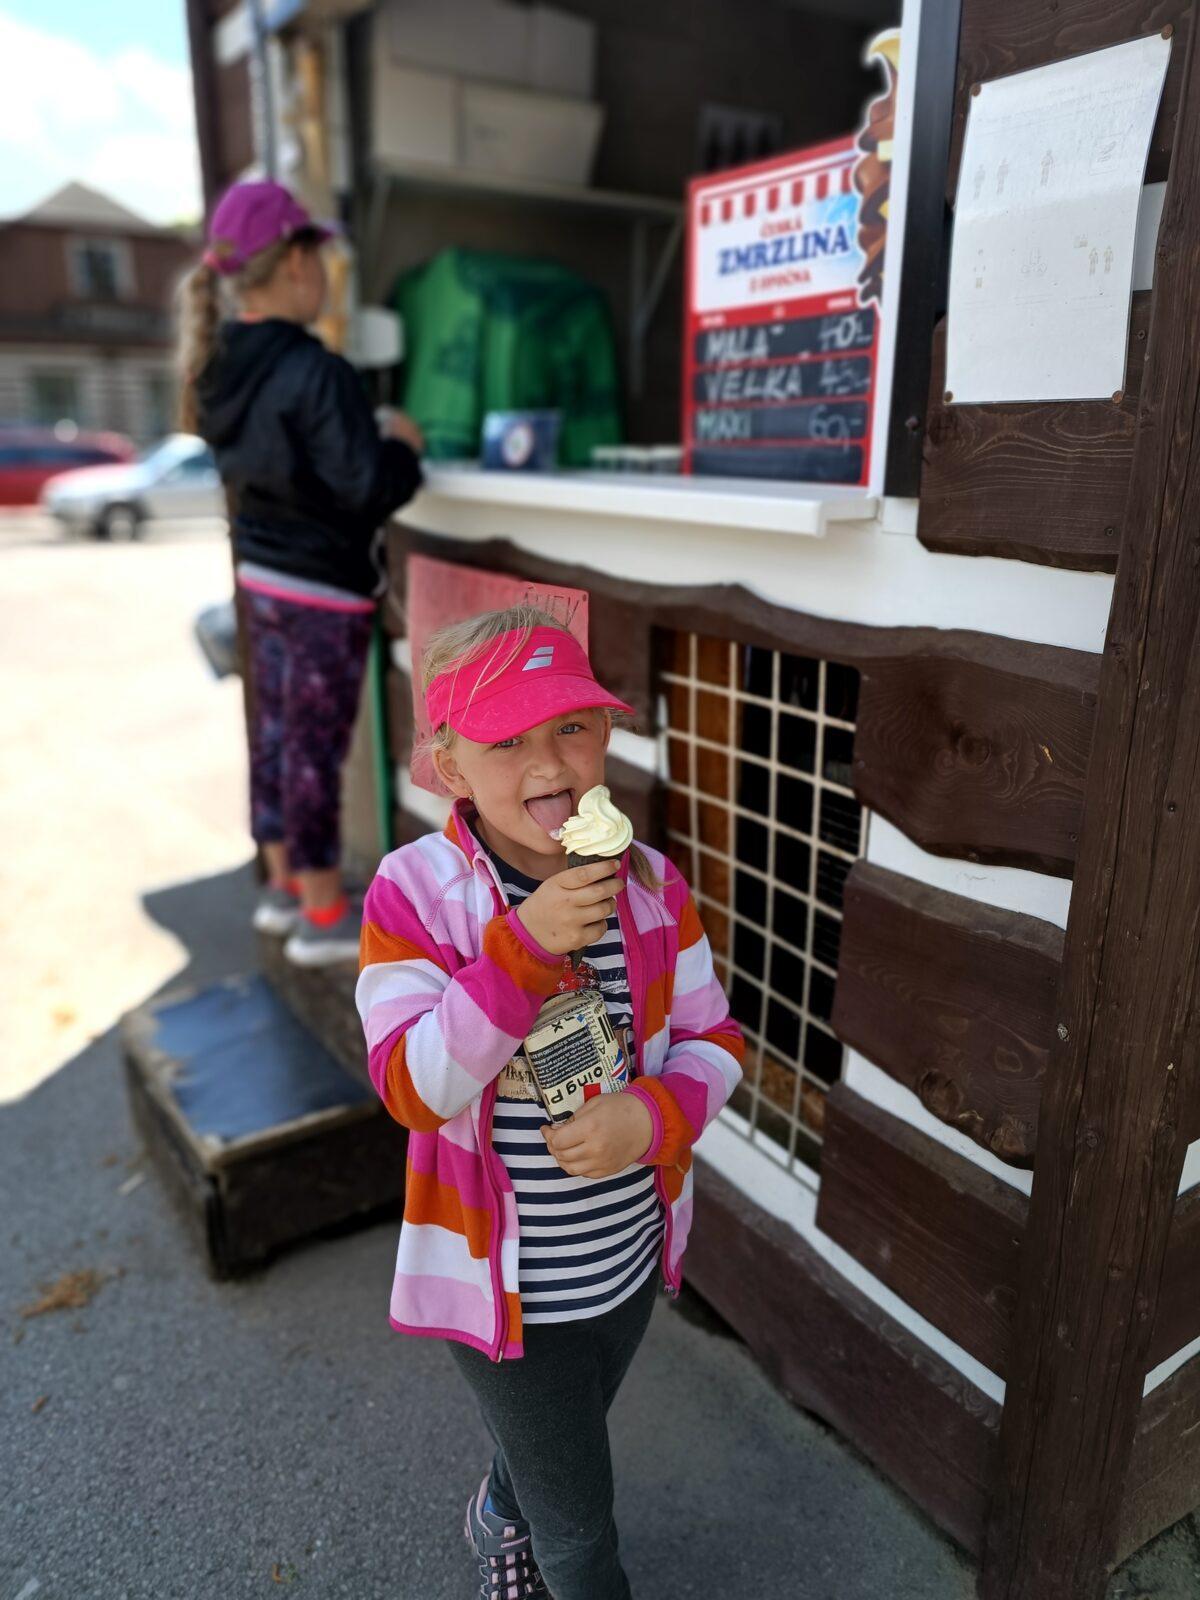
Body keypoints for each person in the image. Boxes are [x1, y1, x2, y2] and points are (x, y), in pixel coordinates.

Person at [356, 605, 745, 1599]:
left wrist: (652, 1118)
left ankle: (503, 1501)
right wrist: (524, 952)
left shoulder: (654, 886)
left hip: (621, 1257)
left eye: (570, 725)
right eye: (508, 739)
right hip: (501, 1289)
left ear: (607, 734)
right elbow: (412, 1085)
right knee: (581, 1531)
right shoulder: (414, 896)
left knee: (567, 1439)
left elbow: (715, 1040)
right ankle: (530, 1535)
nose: (549, 761)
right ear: (448, 763)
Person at [176, 179, 425, 965]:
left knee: (280, 740)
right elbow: (366, 487)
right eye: (319, 257)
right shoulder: (318, 371)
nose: (326, 275)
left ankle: (285, 889)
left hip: (263, 583)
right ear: (294, 266)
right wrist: (405, 447)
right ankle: (323, 916)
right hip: (322, 592)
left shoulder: (222, 366)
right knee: (315, 748)